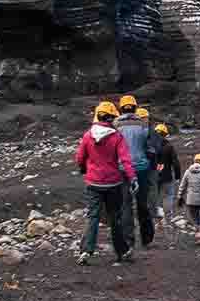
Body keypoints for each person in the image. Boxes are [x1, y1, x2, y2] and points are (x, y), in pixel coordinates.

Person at [73, 101, 137, 266]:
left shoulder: (88, 135)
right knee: (115, 218)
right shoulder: (117, 137)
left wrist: (83, 168)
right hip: (113, 183)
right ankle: (122, 251)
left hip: (93, 183)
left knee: (92, 217)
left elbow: (80, 158)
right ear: (112, 118)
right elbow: (125, 160)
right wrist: (132, 178)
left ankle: (86, 250)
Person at [115, 98, 155, 249]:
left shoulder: (116, 124)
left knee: (125, 204)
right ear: (135, 108)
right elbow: (150, 147)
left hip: (122, 169)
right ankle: (147, 238)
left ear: (121, 108)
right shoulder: (143, 124)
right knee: (142, 203)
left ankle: (128, 240)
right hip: (142, 168)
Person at [151, 123, 182, 224]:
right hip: (166, 176)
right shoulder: (169, 146)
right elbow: (176, 163)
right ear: (165, 134)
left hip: (153, 176)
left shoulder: (150, 145)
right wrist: (177, 176)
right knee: (168, 196)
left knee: (154, 196)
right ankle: (167, 217)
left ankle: (154, 216)